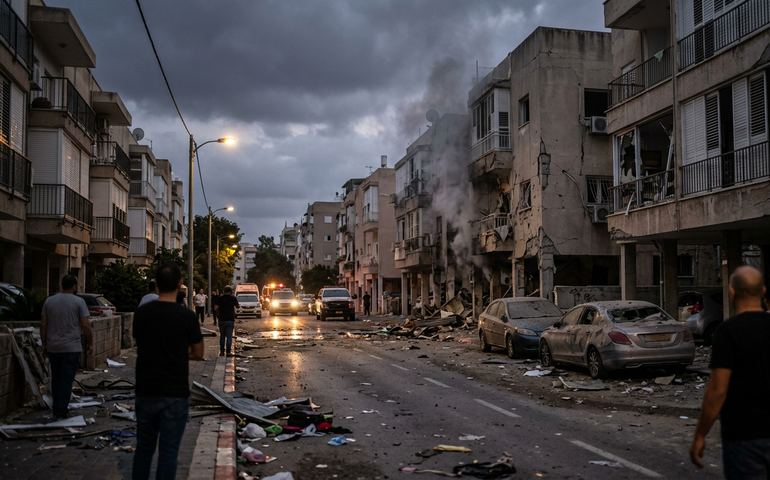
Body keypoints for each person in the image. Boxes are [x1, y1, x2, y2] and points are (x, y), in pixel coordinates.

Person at [690, 265, 770, 478]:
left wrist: (700, 435)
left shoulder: (727, 332)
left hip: (743, 436)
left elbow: (718, 390)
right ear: (763, 292)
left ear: (732, 293)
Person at [132, 262, 203, 480]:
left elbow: (138, 343)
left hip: (145, 390)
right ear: (181, 285)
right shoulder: (187, 316)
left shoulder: (142, 313)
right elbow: (198, 353)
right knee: (169, 452)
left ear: (155, 283)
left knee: (143, 449)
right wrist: (178, 353)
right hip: (175, 392)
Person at [40, 275, 92, 420]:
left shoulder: (49, 301)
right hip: (72, 347)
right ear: (74, 286)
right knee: (67, 379)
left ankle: (57, 408)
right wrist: (90, 343)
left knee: (56, 378)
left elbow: (43, 325)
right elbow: (86, 325)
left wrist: (44, 344)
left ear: (62, 285)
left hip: (54, 346)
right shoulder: (79, 302)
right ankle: (61, 410)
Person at [214, 286, 239, 356]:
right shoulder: (233, 298)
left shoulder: (220, 298)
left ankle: (222, 351)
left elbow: (215, 308)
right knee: (229, 336)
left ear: (224, 291)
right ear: (231, 292)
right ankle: (228, 352)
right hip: (230, 319)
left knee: (222, 336)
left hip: (222, 319)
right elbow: (237, 306)